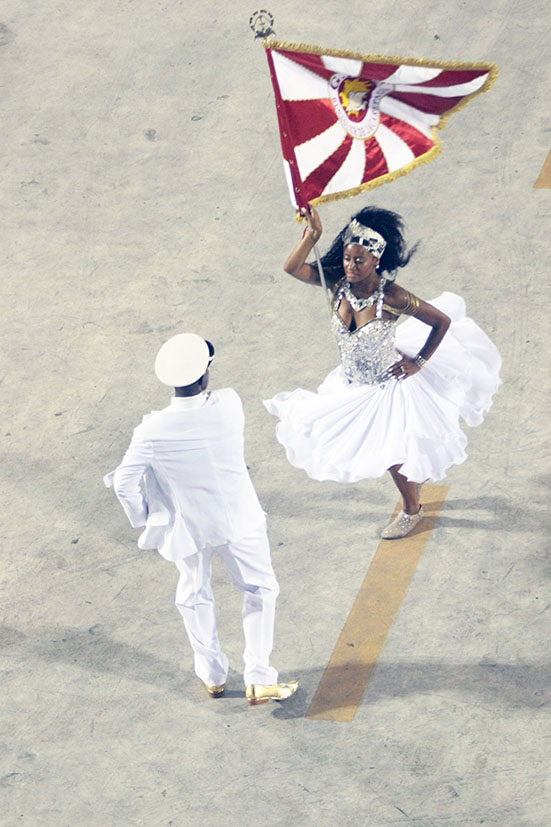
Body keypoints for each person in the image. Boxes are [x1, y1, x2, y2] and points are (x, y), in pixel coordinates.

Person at [264, 205, 501, 538]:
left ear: (376, 260)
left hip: (388, 384)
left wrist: (418, 362)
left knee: (392, 455)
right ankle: (414, 486)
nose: (350, 266)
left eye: (359, 261)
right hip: (351, 385)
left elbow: (441, 322)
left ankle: (412, 510)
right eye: (347, 259)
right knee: (377, 447)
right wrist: (313, 235)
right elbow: (292, 268)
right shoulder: (336, 284)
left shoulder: (392, 296)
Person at [104, 333, 298, 705]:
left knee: (193, 593)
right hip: (239, 519)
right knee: (259, 590)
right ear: (205, 373)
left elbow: (125, 483)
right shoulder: (230, 404)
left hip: (187, 526)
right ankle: (259, 676)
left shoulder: (150, 431)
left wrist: (146, 516)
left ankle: (213, 676)